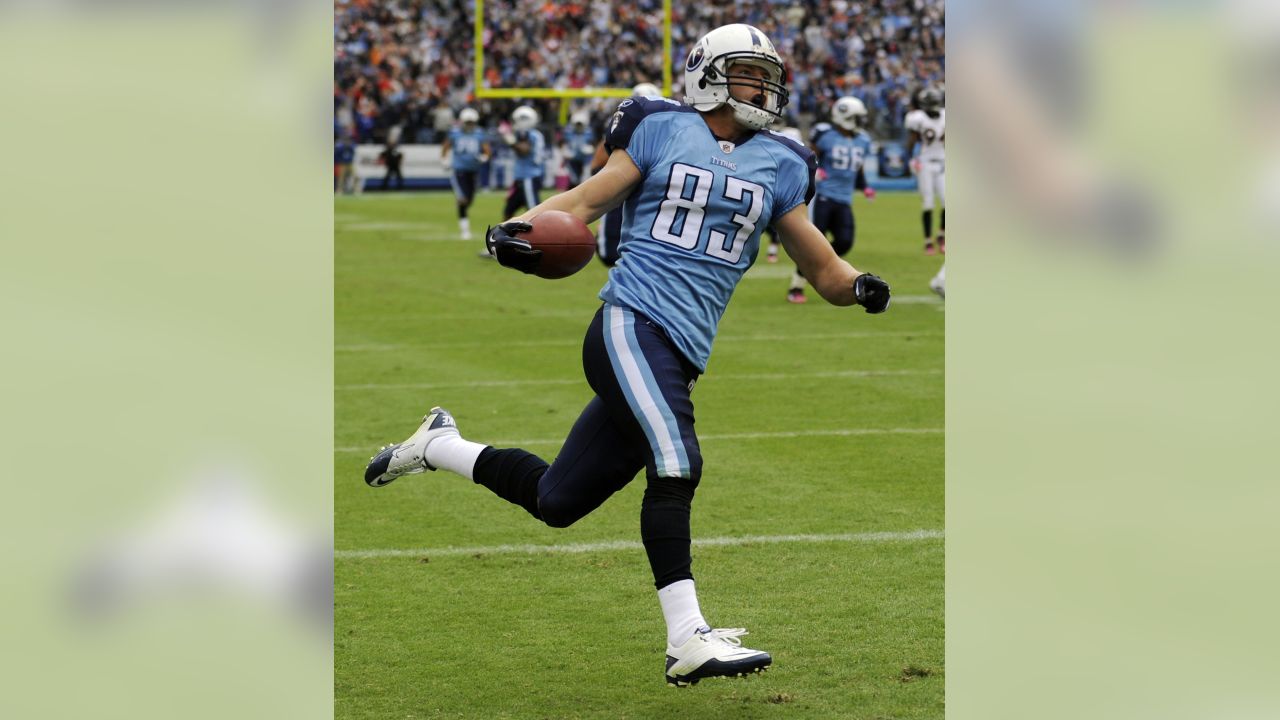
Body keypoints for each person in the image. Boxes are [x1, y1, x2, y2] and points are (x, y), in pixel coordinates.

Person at [363, 24, 891, 687]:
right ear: (708, 74)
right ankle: (687, 638)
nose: (764, 85)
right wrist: (520, 227)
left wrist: (861, 288)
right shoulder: (661, 127)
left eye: (766, 73)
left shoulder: (785, 162)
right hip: (630, 323)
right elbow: (585, 202)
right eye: (749, 71)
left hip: (681, 351)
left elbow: (821, 266)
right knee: (676, 461)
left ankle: (437, 446)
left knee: (558, 499)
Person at [787, 96, 876, 303]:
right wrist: (817, 170)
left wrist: (864, 186)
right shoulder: (825, 135)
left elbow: (858, 167)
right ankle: (797, 286)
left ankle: (819, 266)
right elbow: (809, 157)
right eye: (857, 117)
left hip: (844, 198)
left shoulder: (862, 140)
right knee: (813, 242)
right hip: (823, 195)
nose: (861, 122)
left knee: (844, 241)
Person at [589, 82, 661, 266]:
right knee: (610, 252)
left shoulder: (666, 124)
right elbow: (598, 163)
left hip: (647, 179)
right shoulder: (625, 121)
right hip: (623, 176)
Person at [440, 108, 491, 240]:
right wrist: (444, 160)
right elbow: (446, 146)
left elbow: (487, 150)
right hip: (459, 171)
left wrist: (484, 157)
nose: (469, 125)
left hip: (473, 171)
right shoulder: (455, 133)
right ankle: (465, 230)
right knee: (463, 200)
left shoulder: (479, 134)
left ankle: (462, 211)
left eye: (471, 122)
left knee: (469, 200)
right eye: (467, 122)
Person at [906, 88, 946, 254]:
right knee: (928, 202)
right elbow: (912, 141)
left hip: (943, 162)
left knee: (947, 202)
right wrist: (911, 158)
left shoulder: (945, 115)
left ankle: (942, 236)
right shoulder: (918, 118)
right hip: (925, 163)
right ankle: (928, 241)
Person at [560, 111, 595, 190]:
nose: (579, 126)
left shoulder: (588, 132)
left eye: (580, 124)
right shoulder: (568, 131)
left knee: (585, 179)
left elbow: (593, 144)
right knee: (574, 179)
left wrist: (590, 149)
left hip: (586, 159)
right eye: (577, 124)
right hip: (572, 159)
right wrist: (565, 151)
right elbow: (563, 144)